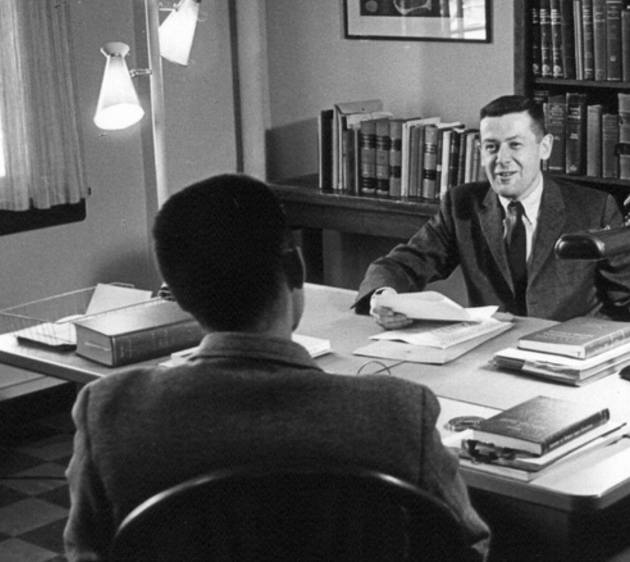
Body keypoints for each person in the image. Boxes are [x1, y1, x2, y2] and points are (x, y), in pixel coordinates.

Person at [63, 174, 490, 561]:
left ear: (175, 294)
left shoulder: (109, 411)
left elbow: (86, 553)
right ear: (296, 268)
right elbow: (464, 549)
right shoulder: (398, 412)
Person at [355, 95, 630, 331]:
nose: (502, 160)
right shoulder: (462, 206)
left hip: (575, 355)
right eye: (492, 147)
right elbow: (401, 264)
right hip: (492, 354)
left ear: (545, 147)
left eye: (515, 145)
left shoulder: (594, 209)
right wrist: (383, 297)